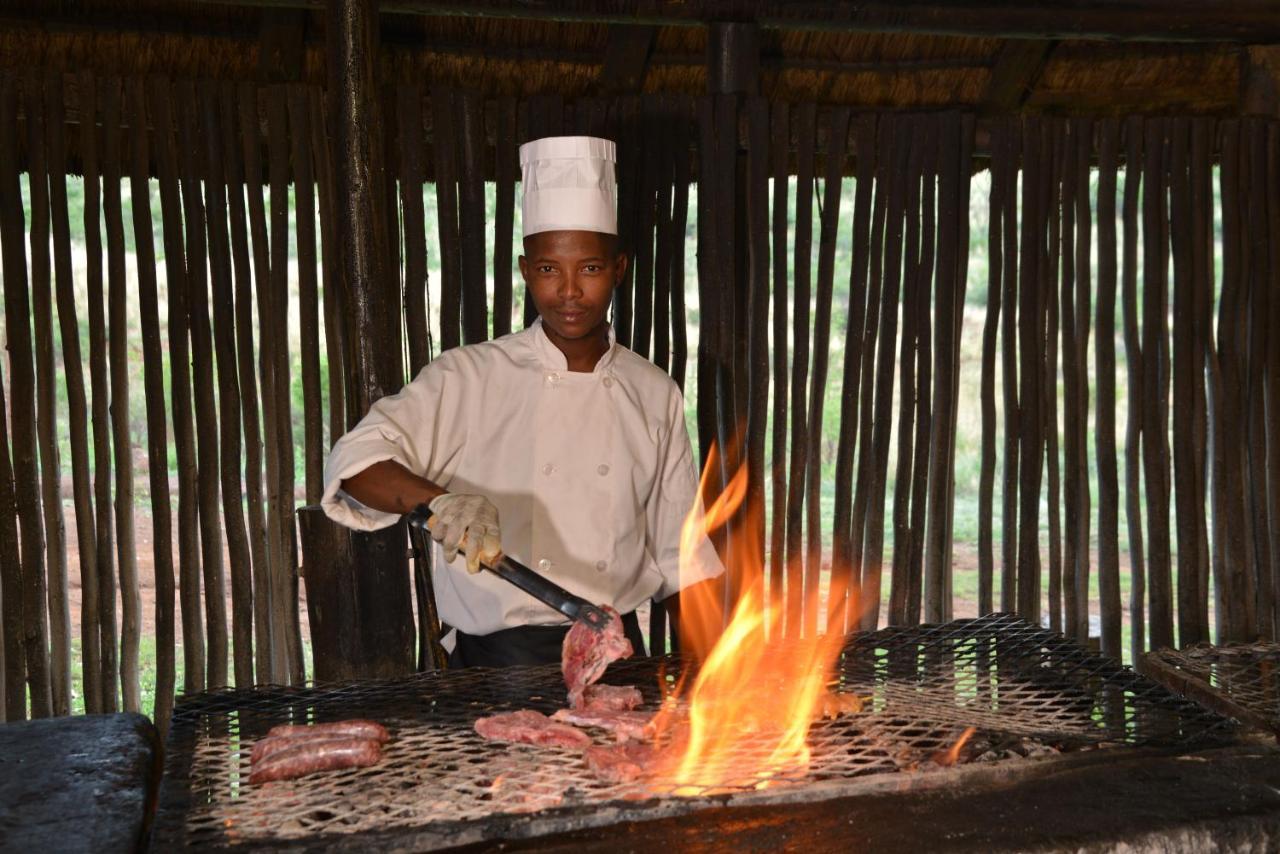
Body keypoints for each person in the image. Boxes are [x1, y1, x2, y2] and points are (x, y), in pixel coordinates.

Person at [321, 135, 723, 668]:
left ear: (619, 268)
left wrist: (725, 680)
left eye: (591, 268)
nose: (570, 291)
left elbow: (681, 558)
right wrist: (441, 501)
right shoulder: (469, 376)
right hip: (497, 668)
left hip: (618, 660)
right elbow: (355, 463)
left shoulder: (653, 392)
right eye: (550, 269)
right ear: (525, 269)